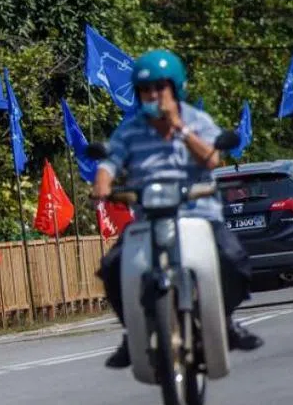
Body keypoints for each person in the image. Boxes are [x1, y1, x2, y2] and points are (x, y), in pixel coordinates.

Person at [91, 49, 263, 369]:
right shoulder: (130, 129)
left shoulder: (197, 121)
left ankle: (224, 320)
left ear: (175, 88)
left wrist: (180, 128)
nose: (153, 95)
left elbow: (212, 160)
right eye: (145, 90)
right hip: (149, 217)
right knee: (113, 267)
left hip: (200, 215)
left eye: (159, 88)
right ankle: (133, 334)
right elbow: (110, 161)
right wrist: (102, 185)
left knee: (233, 260)